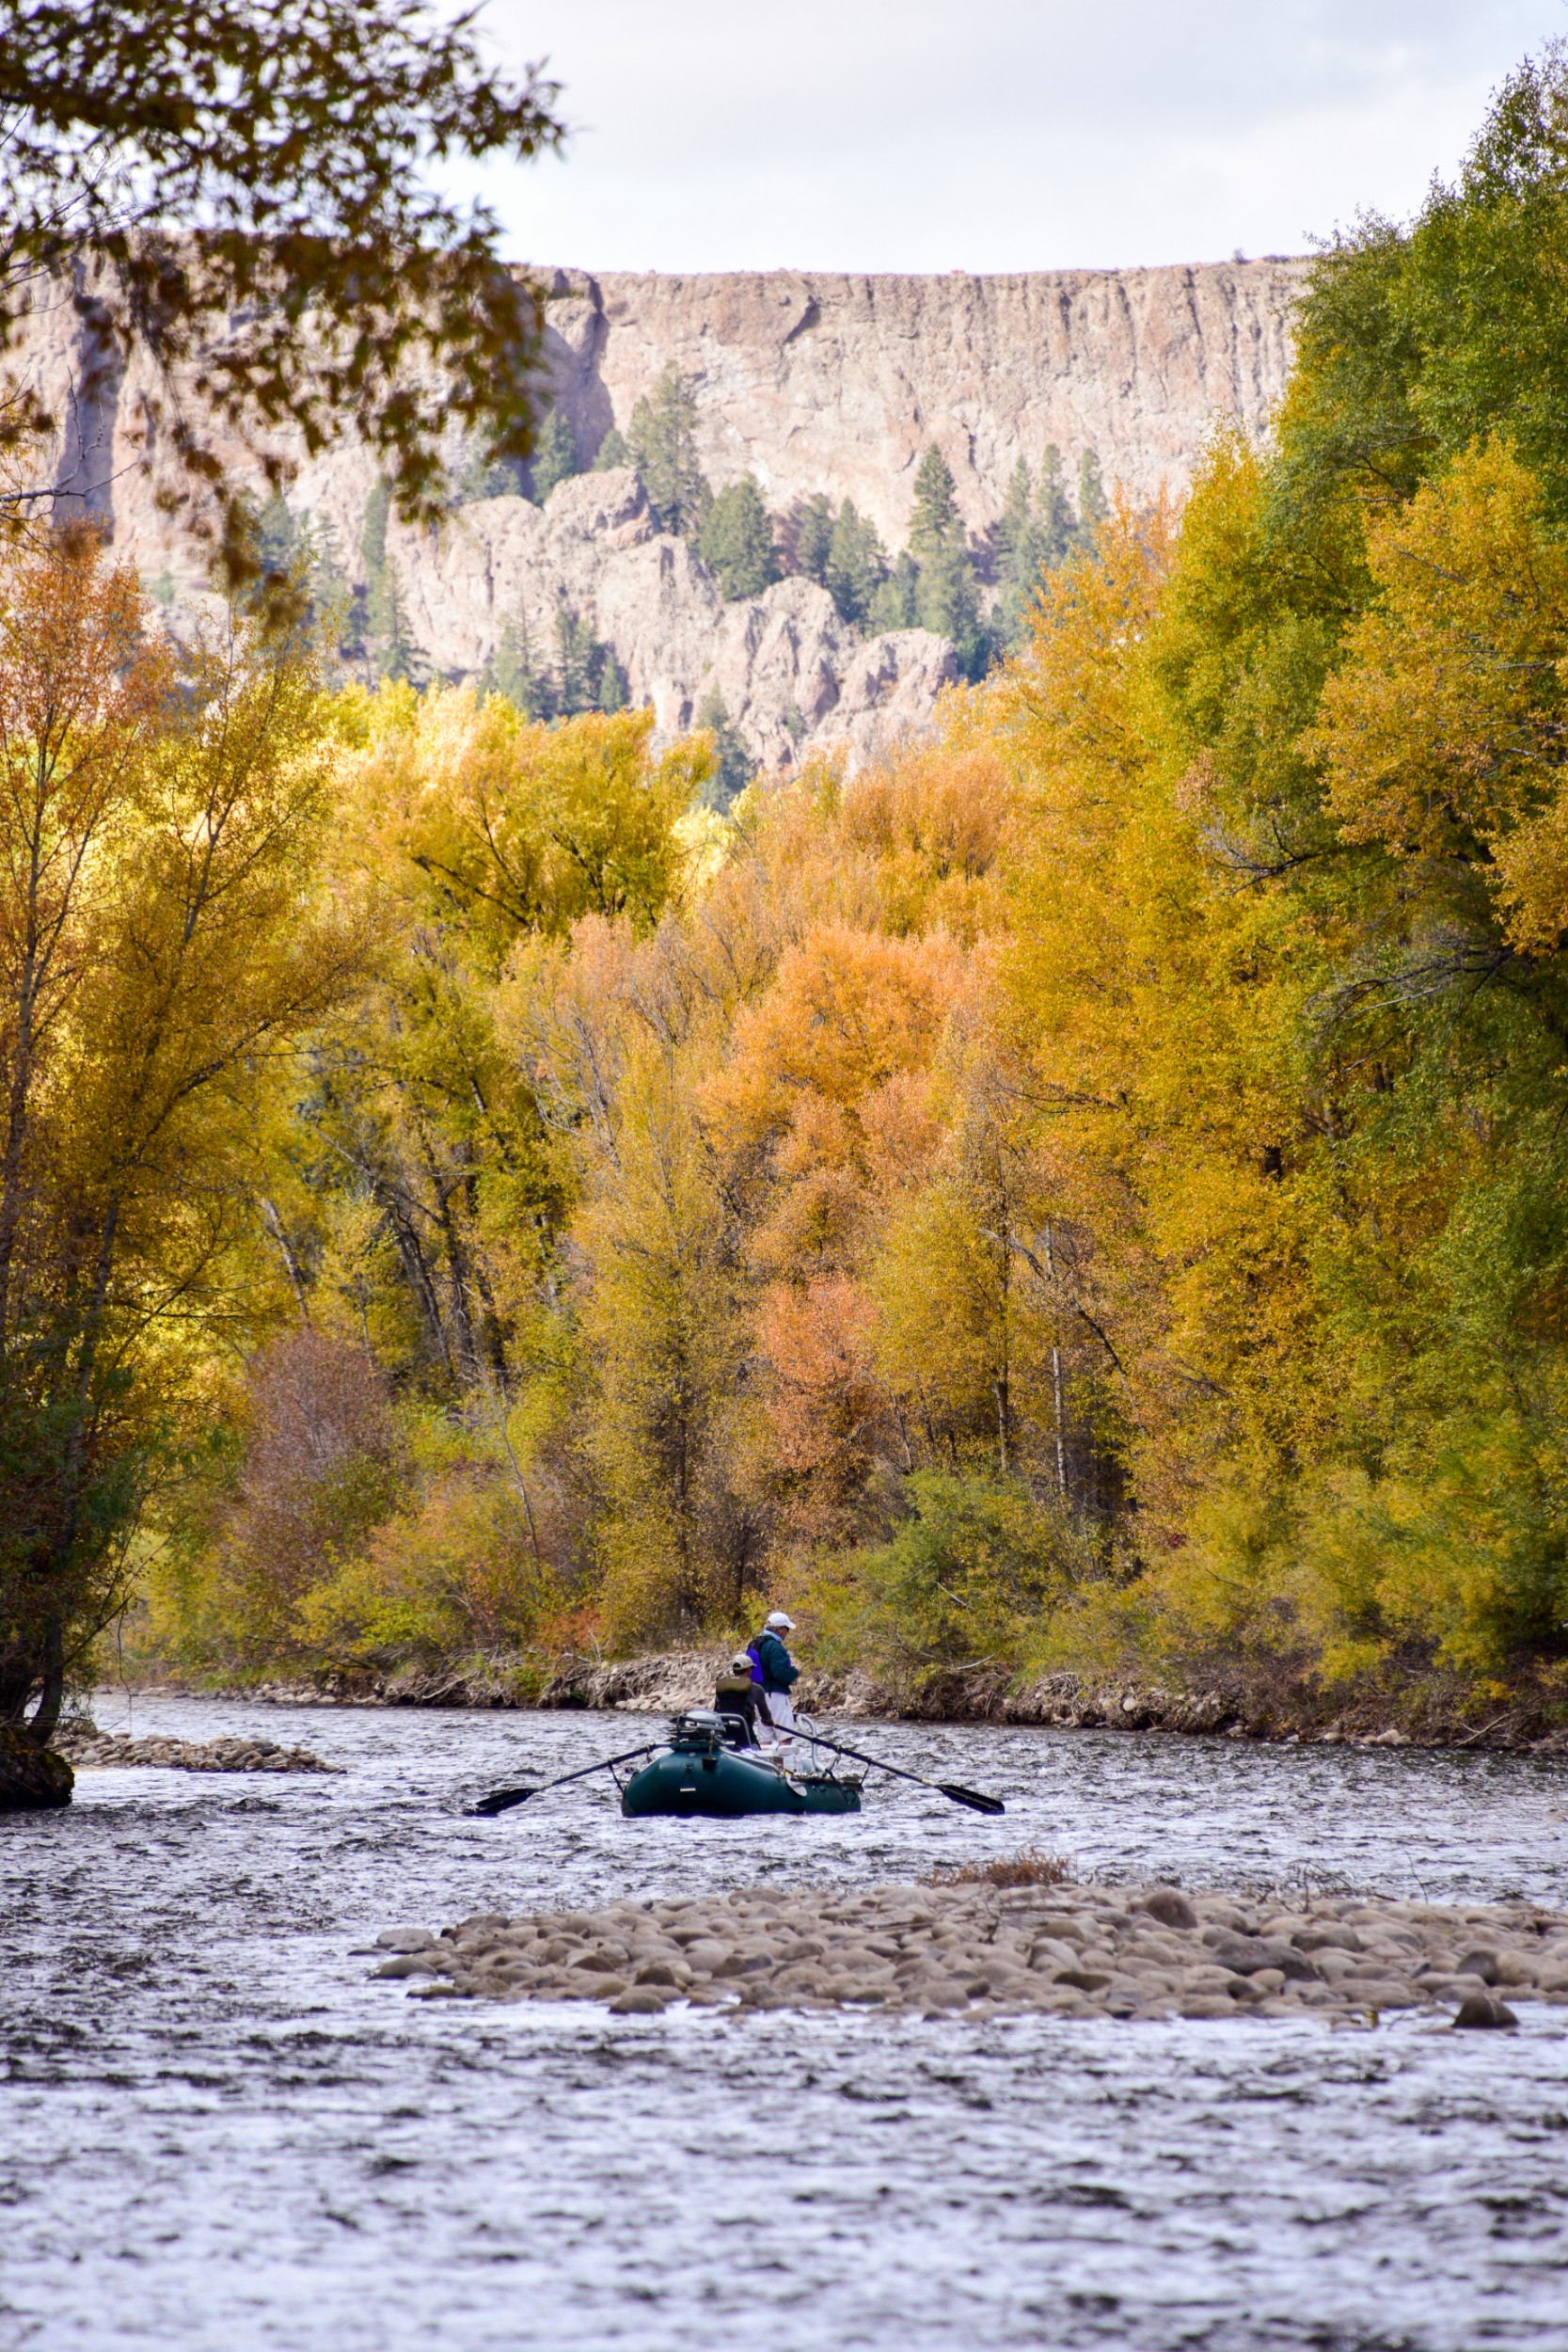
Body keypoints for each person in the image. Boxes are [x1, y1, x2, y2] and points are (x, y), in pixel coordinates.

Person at [750, 1610, 801, 1738]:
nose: (788, 1632)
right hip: (775, 1695)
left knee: (765, 1737)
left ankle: (765, 1759)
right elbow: (781, 1675)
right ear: (779, 1629)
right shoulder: (775, 1647)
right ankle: (786, 1758)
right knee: (785, 1735)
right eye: (786, 1628)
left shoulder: (755, 1643)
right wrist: (796, 1671)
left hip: (758, 1695)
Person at [714, 1652, 773, 1749]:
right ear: (749, 1670)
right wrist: (769, 1721)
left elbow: (716, 1711)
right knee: (756, 1748)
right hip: (744, 1732)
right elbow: (765, 1717)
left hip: (723, 1732)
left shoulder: (722, 1686)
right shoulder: (757, 1689)